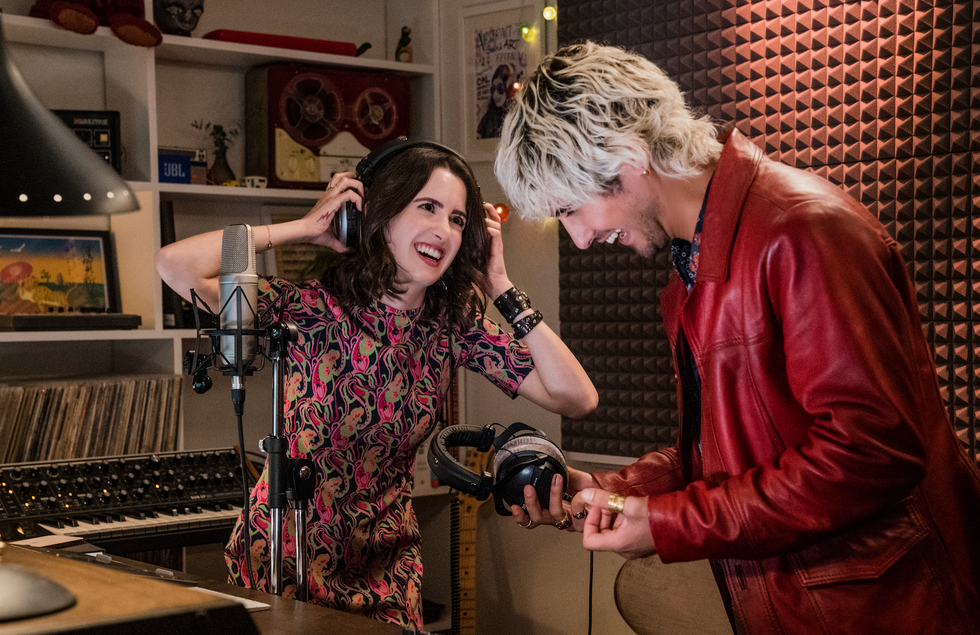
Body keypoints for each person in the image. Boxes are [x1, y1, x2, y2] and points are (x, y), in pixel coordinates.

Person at [494, 42, 980, 635]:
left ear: (628, 157)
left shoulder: (803, 231)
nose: (580, 238)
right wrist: (607, 491)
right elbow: (729, 457)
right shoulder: (691, 271)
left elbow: (872, 453)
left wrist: (670, 524)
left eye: (572, 209)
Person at [154, 140, 597, 630]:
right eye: (427, 207)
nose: (443, 230)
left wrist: (501, 287)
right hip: (286, 556)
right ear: (379, 215)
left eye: (457, 219)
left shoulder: (453, 327)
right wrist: (305, 228)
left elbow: (576, 397)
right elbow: (174, 265)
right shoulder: (310, 309)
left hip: (389, 568)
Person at [477, 64, 513, 139]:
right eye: (493, 89)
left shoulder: (516, 115)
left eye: (500, 88)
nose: (496, 94)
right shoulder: (485, 120)